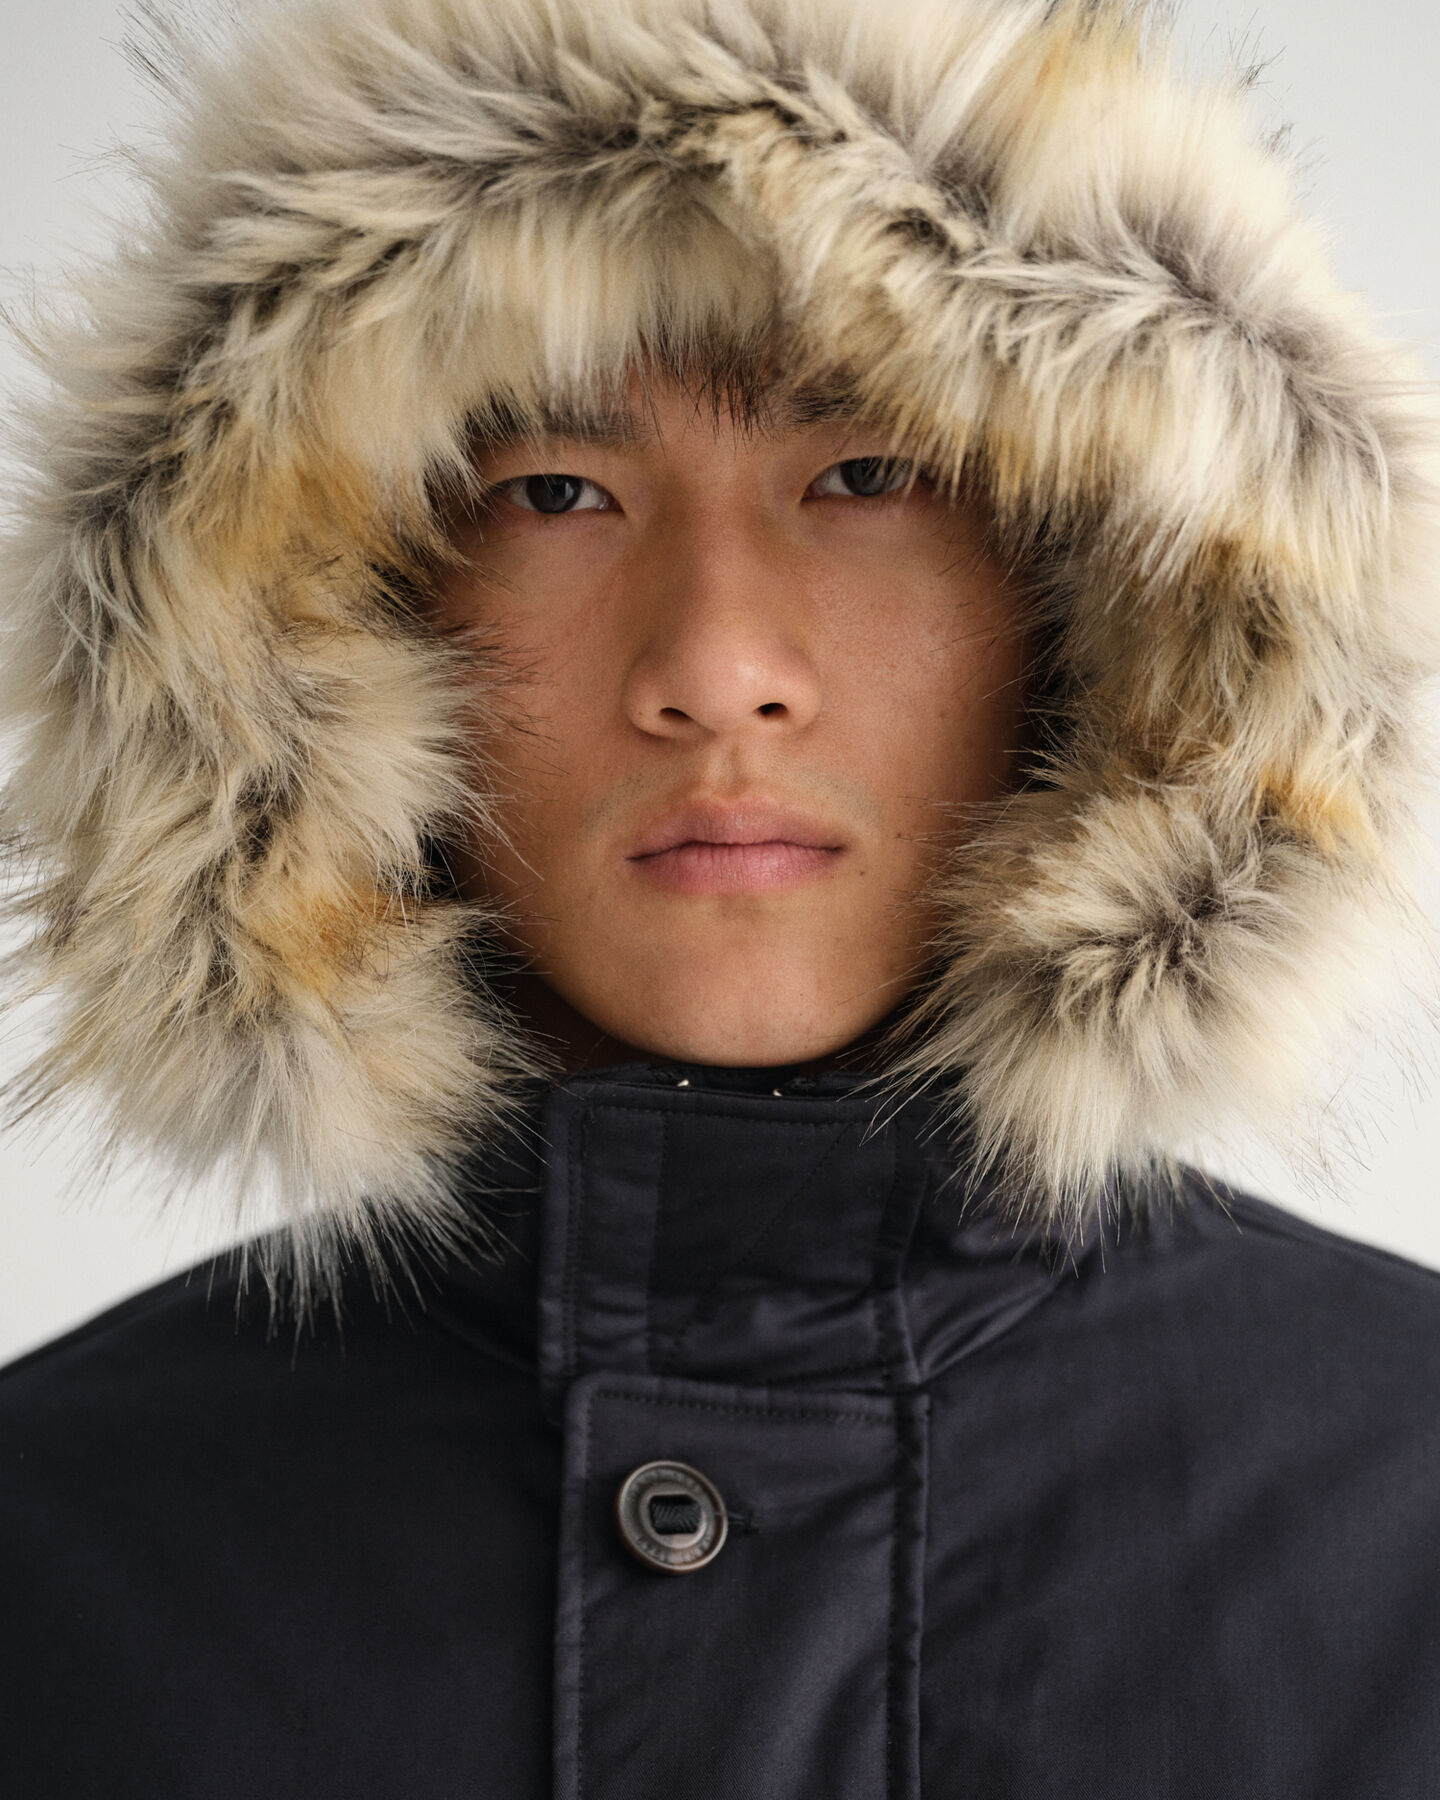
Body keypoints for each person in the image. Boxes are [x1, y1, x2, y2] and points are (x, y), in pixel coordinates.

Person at [2, 0, 1438, 1794]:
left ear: (1109, 589)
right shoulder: (55, 1569)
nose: (718, 670)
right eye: (555, 491)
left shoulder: (1408, 1519)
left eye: (867, 475)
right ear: (322, 621)